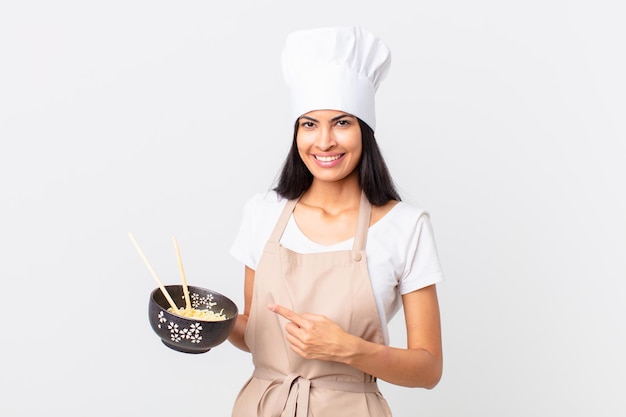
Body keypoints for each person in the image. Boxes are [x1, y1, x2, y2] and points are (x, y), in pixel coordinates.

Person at [228, 26, 445, 417]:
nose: (324, 141)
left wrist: (348, 348)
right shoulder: (262, 213)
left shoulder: (406, 227)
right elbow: (252, 332)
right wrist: (214, 323)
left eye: (342, 123)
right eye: (309, 124)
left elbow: (428, 368)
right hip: (264, 406)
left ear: (365, 130)